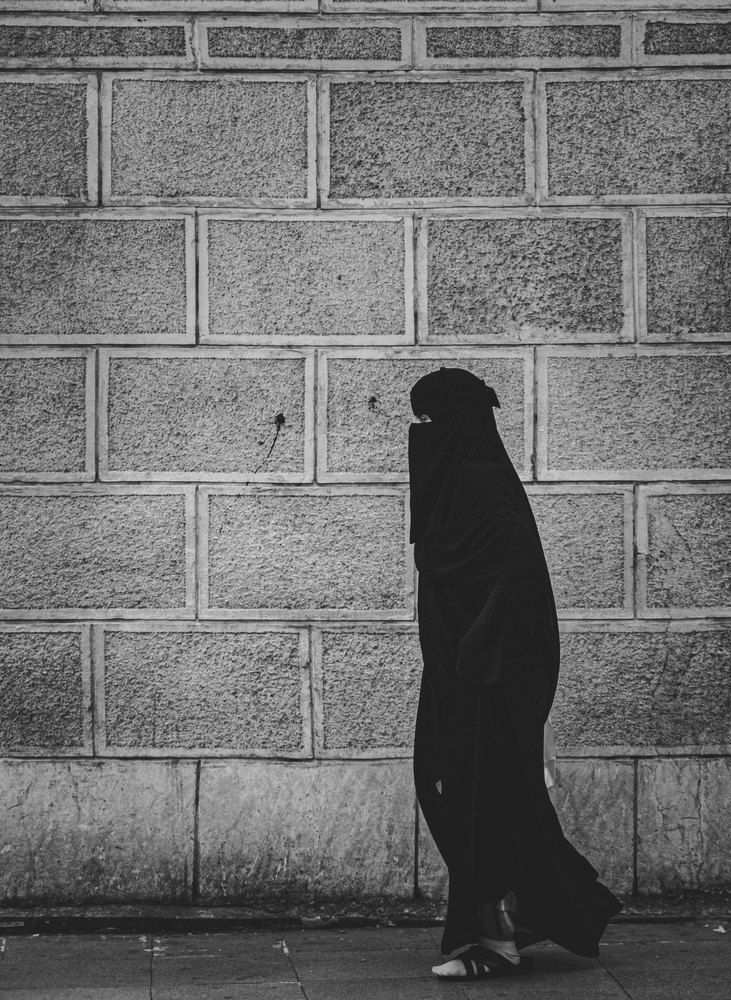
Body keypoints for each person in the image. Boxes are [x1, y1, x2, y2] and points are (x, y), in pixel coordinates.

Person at [408, 367, 621, 982]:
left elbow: (518, 579)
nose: (421, 434)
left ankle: (493, 939)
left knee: (483, 803)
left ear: (458, 423)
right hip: (456, 678)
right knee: (469, 795)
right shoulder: (460, 484)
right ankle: (541, 910)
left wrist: (477, 652)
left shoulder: (481, 485)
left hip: (487, 684)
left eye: (430, 421)